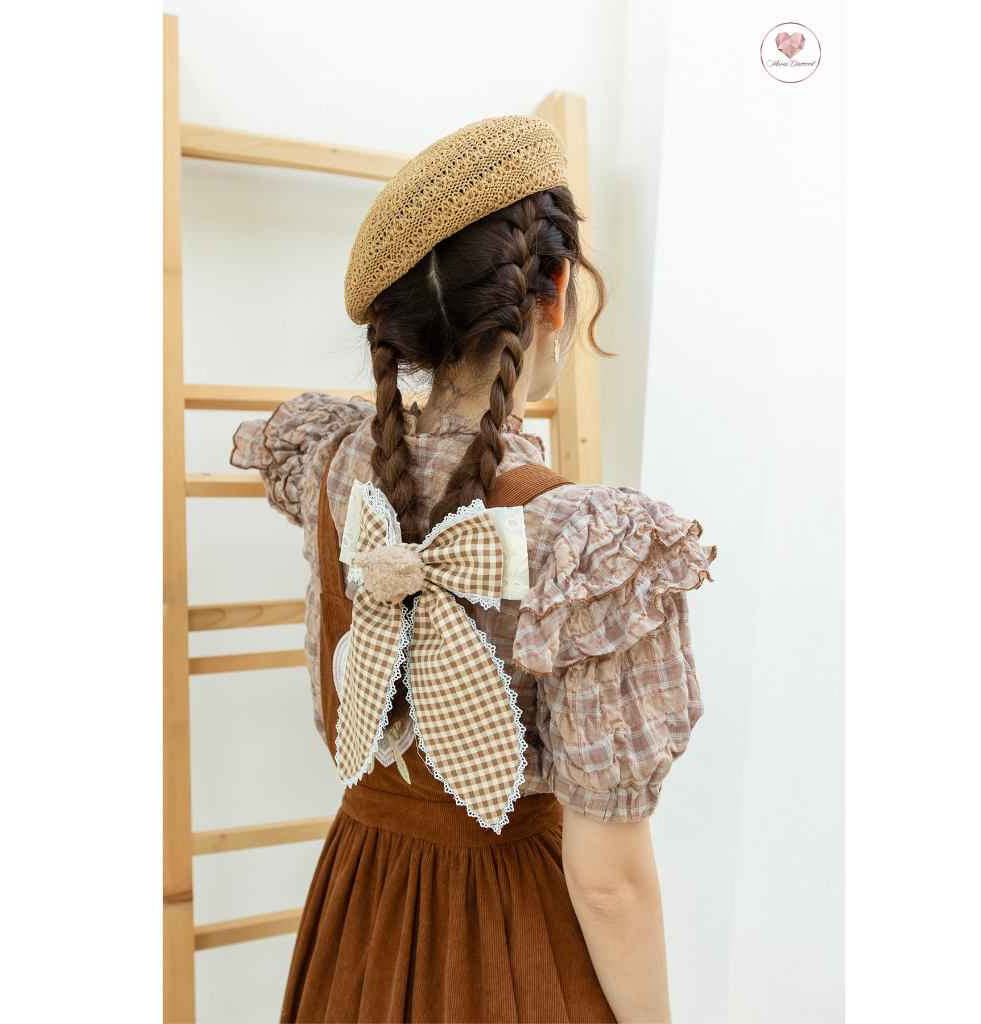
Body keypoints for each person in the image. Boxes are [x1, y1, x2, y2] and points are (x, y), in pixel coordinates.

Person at [231, 115, 715, 1024]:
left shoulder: (334, 463)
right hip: (515, 943)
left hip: (362, 910)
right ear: (555, 292)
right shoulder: (587, 546)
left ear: (405, 327)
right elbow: (608, 884)